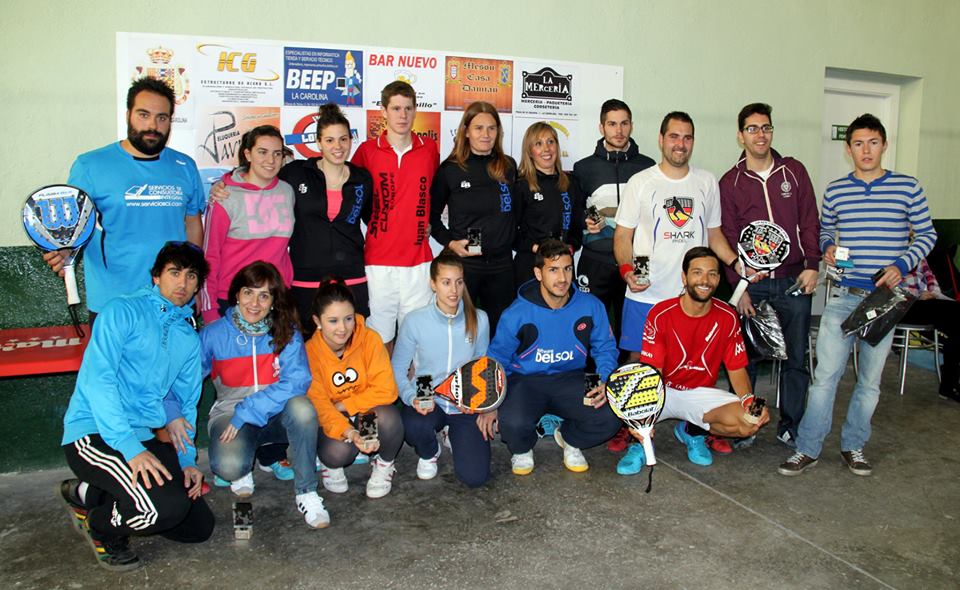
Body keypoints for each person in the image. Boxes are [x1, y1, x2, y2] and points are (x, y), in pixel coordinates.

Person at [779, 114, 937, 477]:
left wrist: (901, 264)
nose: (866, 150)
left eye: (873, 142)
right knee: (825, 378)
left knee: (869, 382)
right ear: (848, 149)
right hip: (844, 296)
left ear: (884, 144)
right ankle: (807, 448)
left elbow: (927, 235)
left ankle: (854, 445)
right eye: (858, 144)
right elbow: (825, 232)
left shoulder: (907, 187)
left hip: (886, 300)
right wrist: (829, 247)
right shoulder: (836, 190)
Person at [58, 242, 214, 572]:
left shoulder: (188, 337)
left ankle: (91, 493)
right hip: (95, 433)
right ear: (156, 276)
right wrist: (130, 447)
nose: (182, 284)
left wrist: (186, 461)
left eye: (191, 276)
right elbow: (99, 382)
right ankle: (101, 527)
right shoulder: (121, 311)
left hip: (142, 436)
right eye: (174, 273)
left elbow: (184, 403)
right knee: (159, 511)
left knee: (197, 526)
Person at [43, 78, 205, 326]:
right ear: (128, 114)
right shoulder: (90, 165)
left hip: (173, 301)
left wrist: (191, 275)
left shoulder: (185, 166)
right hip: (114, 301)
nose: (153, 125)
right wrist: (66, 249)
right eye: (144, 114)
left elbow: (193, 221)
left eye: (162, 117)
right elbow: (73, 228)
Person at [207, 104, 374, 335]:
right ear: (318, 142)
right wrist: (225, 182)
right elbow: (255, 176)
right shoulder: (295, 173)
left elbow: (373, 218)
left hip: (348, 275)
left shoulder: (362, 178)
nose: (338, 146)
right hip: (302, 279)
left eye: (343, 139)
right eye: (329, 140)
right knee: (304, 345)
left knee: (353, 341)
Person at [718, 103, 821, 449]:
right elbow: (728, 236)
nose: (760, 134)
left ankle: (790, 425)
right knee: (745, 362)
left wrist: (812, 265)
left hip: (793, 282)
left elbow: (809, 221)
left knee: (796, 360)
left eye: (766, 128)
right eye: (752, 128)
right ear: (740, 135)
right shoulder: (730, 182)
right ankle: (746, 424)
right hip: (754, 288)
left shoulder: (794, 172)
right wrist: (738, 288)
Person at [195, 261, 327, 528]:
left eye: (264, 295)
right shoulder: (212, 335)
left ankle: (307, 492)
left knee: (303, 409)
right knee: (229, 466)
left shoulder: (286, 331)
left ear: (273, 301)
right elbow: (188, 383)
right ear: (236, 294)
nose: (254, 303)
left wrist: (249, 410)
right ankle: (243, 465)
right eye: (248, 292)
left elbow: (298, 381)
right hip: (232, 415)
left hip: (276, 413)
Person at [618, 247, 771, 474]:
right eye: (697, 272)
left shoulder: (728, 317)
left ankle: (692, 430)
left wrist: (751, 402)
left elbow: (737, 369)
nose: (705, 280)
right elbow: (652, 373)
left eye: (712, 274)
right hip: (662, 390)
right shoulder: (660, 314)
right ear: (684, 277)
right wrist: (642, 418)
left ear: (719, 279)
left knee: (749, 423)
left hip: (699, 393)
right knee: (626, 405)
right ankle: (639, 445)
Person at [614, 111, 741, 358]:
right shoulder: (640, 182)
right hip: (646, 294)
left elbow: (714, 235)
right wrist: (627, 270)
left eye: (687, 138)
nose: (680, 144)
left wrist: (736, 264)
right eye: (674, 136)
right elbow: (622, 236)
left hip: (692, 296)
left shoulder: (707, 181)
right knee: (640, 366)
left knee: (690, 366)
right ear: (661, 139)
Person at [489, 239, 621, 475]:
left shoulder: (591, 306)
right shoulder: (516, 314)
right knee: (511, 423)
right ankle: (522, 449)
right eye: (553, 269)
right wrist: (490, 403)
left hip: (571, 378)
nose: (562, 278)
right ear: (538, 273)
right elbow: (496, 360)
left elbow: (605, 348)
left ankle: (569, 437)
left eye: (567, 269)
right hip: (525, 381)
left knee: (611, 415)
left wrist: (604, 378)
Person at [392, 250, 494, 487]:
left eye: (459, 282)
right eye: (446, 282)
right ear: (433, 284)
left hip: (462, 406)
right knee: (413, 425)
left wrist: (477, 402)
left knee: (475, 478)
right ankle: (430, 451)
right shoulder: (415, 321)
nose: (454, 290)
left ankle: (452, 433)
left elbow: (481, 367)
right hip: (429, 402)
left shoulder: (479, 319)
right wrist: (411, 397)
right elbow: (397, 368)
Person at [352, 81, 440, 348]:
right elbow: (346, 188)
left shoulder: (429, 149)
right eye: (396, 108)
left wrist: (431, 223)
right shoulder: (367, 151)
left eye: (408, 108)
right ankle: (385, 391)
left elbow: (438, 193)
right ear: (384, 111)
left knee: (416, 341)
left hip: (418, 260)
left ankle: (413, 391)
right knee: (380, 340)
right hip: (379, 260)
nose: (402, 115)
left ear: (415, 111)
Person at [305, 278, 403, 498]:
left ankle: (384, 464)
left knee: (389, 417)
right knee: (338, 453)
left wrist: (345, 405)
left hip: (364, 410)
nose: (342, 328)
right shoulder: (310, 352)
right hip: (334, 417)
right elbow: (320, 405)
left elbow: (387, 390)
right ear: (317, 321)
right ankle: (332, 465)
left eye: (348, 319)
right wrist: (350, 432)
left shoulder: (369, 338)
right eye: (333, 321)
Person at [431, 101, 518, 333]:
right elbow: (431, 217)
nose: (486, 134)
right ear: (466, 131)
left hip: (502, 265)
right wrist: (450, 243)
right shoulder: (450, 169)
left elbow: (517, 212)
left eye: (492, 128)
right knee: (462, 330)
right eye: (479, 128)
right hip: (466, 265)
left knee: (501, 331)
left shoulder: (508, 166)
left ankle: (496, 370)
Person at [573, 99, 655, 340]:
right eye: (612, 124)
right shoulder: (583, 167)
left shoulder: (648, 166)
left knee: (635, 325)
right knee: (589, 324)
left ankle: (627, 374)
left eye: (624, 123)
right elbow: (574, 209)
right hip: (595, 257)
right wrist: (585, 220)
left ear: (631, 126)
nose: (618, 131)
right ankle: (591, 376)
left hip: (638, 258)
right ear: (601, 127)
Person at [200, 126, 294, 326]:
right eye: (262, 152)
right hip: (233, 300)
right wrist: (209, 310)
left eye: (277, 154)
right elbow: (210, 255)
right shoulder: (225, 196)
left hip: (276, 299)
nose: (271, 160)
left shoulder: (287, 191)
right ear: (248, 154)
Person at [513, 122, 584, 285]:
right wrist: (537, 249)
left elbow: (576, 228)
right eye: (538, 144)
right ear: (530, 151)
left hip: (562, 267)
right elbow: (511, 232)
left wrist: (570, 247)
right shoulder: (521, 186)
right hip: (530, 268)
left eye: (551, 142)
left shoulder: (571, 184)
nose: (546, 149)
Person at [900, 257, 960, 401]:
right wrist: (918, 295)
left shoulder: (919, 256)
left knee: (955, 324)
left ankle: (949, 383)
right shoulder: (892, 253)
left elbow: (931, 279)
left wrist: (933, 293)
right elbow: (890, 287)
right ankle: (949, 383)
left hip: (927, 303)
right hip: (902, 305)